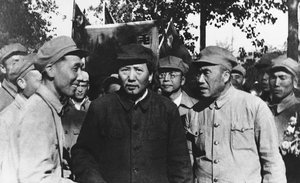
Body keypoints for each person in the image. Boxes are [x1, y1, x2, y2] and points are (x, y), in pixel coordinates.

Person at [71, 44, 193, 183]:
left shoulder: (167, 110)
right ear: (118, 73)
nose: (131, 77)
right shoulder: (101, 107)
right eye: (125, 70)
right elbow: (82, 154)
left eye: (139, 70)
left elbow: (180, 165)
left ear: (151, 75)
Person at [188, 46, 286, 183]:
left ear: (226, 76)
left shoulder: (254, 107)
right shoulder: (194, 112)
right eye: (198, 74)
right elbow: (190, 161)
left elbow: (272, 162)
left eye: (206, 73)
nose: (200, 80)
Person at [16, 36, 88, 183]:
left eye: (82, 69)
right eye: (75, 68)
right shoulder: (38, 114)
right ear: (50, 70)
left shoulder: (49, 108)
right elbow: (33, 178)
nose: (80, 77)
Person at [0, 53, 41, 182]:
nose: (45, 87)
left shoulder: (40, 113)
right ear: (22, 83)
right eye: (40, 82)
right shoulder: (7, 119)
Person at [158, 55, 198, 164]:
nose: (166, 79)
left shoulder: (196, 108)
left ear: (183, 80)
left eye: (172, 75)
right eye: (161, 75)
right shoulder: (152, 106)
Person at [268, 56, 300, 183]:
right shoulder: (260, 109)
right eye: (273, 77)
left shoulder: (298, 110)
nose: (276, 83)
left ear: (294, 81)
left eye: (282, 77)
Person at [62, 70, 91, 175]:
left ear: (88, 87)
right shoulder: (62, 109)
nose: (79, 90)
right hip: (66, 165)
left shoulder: (94, 108)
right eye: (77, 85)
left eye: (83, 86)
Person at [0, 43, 28, 111]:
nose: (23, 67)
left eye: (24, 62)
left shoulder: (30, 91)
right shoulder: (1, 102)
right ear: (3, 68)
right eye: (15, 63)